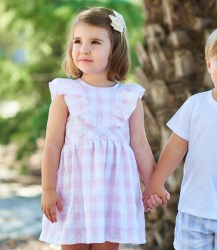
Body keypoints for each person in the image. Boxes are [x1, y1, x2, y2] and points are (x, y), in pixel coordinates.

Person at [39, 7, 161, 250]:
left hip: (114, 191)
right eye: (77, 41)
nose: (84, 49)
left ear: (114, 48)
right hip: (75, 192)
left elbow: (139, 144)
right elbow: (52, 144)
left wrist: (153, 184)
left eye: (95, 42)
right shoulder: (66, 93)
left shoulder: (129, 96)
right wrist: (48, 189)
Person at [143, 28, 217, 249]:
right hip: (195, 211)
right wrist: (155, 183)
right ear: (208, 63)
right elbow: (176, 147)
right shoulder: (196, 105)